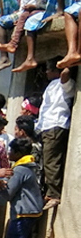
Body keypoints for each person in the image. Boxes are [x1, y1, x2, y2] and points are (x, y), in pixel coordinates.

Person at [38, 59, 74, 211]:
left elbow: (65, 74)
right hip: (47, 126)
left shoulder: (66, 83)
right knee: (46, 161)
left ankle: (54, 194)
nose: (46, 72)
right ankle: (50, 191)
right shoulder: (52, 85)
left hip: (55, 125)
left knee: (52, 161)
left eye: (49, 69)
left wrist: (66, 62)